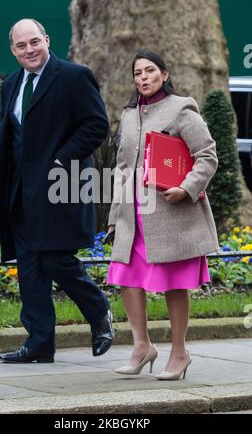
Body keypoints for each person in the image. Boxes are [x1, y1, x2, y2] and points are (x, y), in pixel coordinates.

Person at [0, 19, 114, 363]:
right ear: (13, 50)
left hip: (60, 187)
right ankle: (39, 343)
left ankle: (99, 310)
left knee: (56, 258)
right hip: (20, 192)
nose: (30, 50)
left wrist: (62, 159)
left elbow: (97, 125)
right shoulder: (11, 84)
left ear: (47, 40)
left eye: (35, 42)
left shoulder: (74, 76)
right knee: (30, 267)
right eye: (21, 46)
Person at [107, 51, 219, 380]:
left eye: (150, 71)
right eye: (138, 73)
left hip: (172, 215)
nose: (143, 77)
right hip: (132, 215)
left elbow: (207, 155)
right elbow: (122, 168)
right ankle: (142, 346)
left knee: (174, 284)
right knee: (125, 277)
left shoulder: (181, 108)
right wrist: (114, 216)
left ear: (165, 74)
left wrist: (186, 188)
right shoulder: (128, 115)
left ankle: (180, 352)